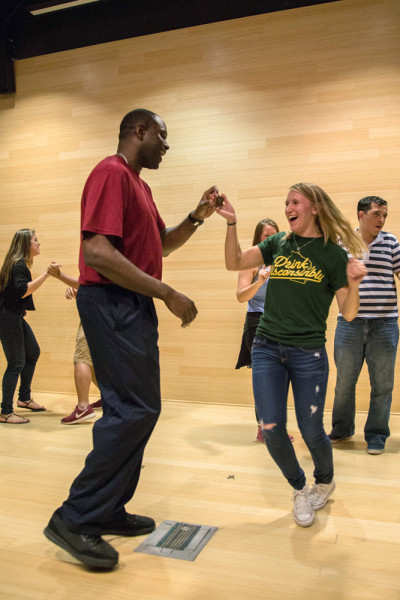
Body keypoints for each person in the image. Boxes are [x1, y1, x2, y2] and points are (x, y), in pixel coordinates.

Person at [44, 108, 218, 570]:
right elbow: (97, 251)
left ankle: (107, 509)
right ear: (137, 131)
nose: (166, 145)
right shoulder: (110, 172)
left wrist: (197, 217)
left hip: (129, 305)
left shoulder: (139, 185)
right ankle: (76, 517)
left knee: (142, 409)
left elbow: (157, 243)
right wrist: (166, 292)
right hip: (112, 303)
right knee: (132, 410)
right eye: (162, 135)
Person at [216, 183, 367, 528]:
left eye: (294, 202)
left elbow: (348, 313)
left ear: (314, 207)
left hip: (308, 354)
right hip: (267, 347)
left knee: (311, 429)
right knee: (271, 427)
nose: (288, 208)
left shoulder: (332, 255)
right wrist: (231, 223)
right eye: (285, 203)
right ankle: (299, 487)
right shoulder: (278, 243)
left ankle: (325, 481)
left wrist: (354, 282)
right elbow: (234, 262)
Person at [329, 196, 400, 455]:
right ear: (361, 215)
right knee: (344, 381)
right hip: (349, 324)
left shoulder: (391, 242)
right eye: (377, 214)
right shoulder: (342, 242)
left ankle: (377, 434)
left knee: (383, 384)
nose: (382, 219)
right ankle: (342, 428)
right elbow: (334, 279)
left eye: (385, 215)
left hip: (385, 325)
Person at [235, 218, 285, 442]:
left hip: (280, 322)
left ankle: (274, 428)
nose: (272, 239)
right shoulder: (251, 262)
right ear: (259, 239)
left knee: (279, 379)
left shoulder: (282, 261)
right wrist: (260, 281)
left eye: (275, 235)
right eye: (267, 235)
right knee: (264, 379)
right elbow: (240, 296)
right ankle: (264, 429)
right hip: (257, 323)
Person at [0, 229, 56, 423]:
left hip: (13, 316)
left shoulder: (18, 265)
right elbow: (23, 291)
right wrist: (46, 275)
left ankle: (23, 398)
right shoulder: (18, 266)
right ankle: (5, 412)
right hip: (7, 317)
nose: (38, 243)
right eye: (35, 240)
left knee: (32, 353)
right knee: (16, 362)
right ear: (25, 244)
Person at [46, 264, 102, 424]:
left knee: (82, 359)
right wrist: (79, 291)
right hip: (108, 314)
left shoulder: (99, 251)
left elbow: (92, 287)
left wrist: (59, 275)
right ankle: (112, 396)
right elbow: (95, 288)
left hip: (95, 316)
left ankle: (83, 407)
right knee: (96, 363)